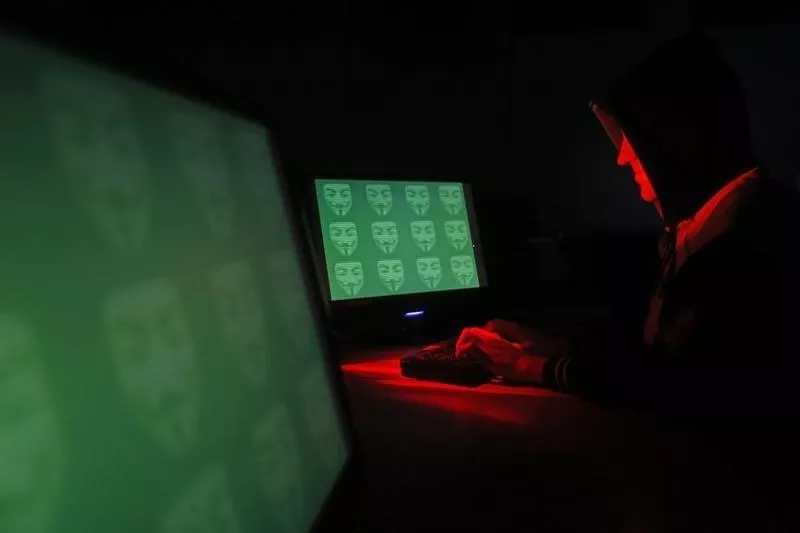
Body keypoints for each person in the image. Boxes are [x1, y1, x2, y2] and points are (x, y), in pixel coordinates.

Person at [457, 33, 800, 436]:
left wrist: (532, 368)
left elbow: (679, 385)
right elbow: (650, 344)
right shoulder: (706, 225)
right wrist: (554, 344)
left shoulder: (749, 239)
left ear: (679, 137)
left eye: (635, 137)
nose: (622, 155)